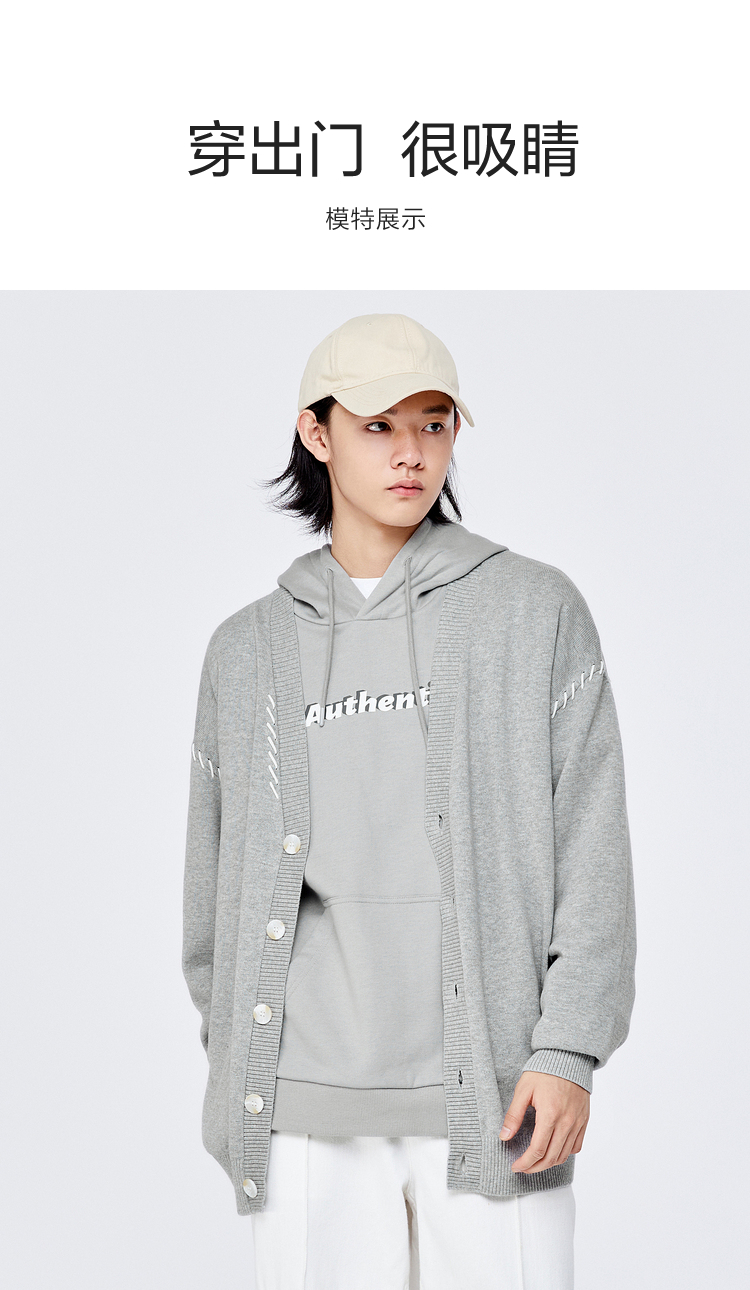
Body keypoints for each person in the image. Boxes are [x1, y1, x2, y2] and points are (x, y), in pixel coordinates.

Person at [182, 312, 636, 1290]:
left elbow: (593, 839)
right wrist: (239, 1058)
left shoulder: (533, 610)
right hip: (301, 1105)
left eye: (434, 424)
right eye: (379, 425)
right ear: (317, 434)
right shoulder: (246, 650)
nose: (411, 453)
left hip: (500, 1096)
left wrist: (568, 1049)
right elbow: (212, 892)